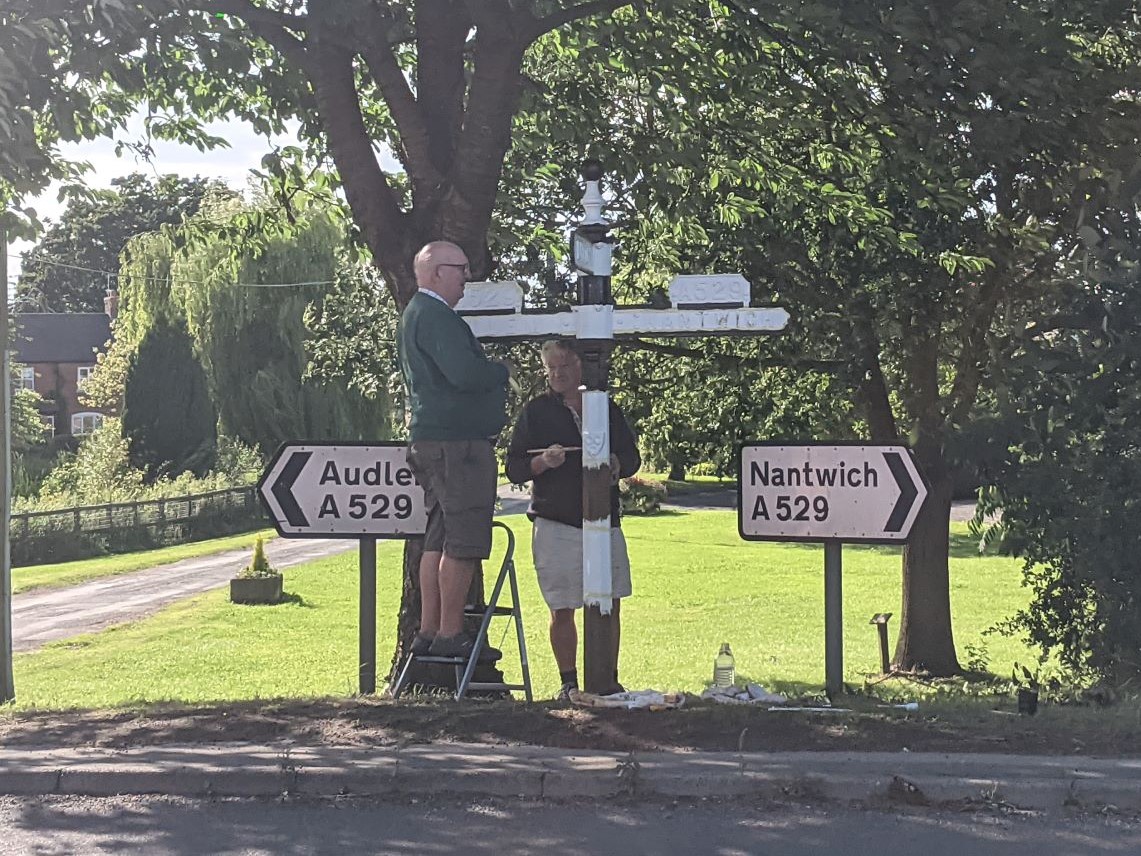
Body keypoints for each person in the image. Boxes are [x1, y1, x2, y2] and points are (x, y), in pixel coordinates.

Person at [505, 340, 641, 699]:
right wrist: (543, 464)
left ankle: (607, 680)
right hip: (556, 523)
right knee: (561, 606)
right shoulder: (535, 412)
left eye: (563, 365)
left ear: (580, 365)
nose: (557, 374)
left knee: (609, 603)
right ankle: (569, 684)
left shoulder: (604, 407)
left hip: (604, 520)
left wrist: (616, 464)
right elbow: (515, 466)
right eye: (550, 368)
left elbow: (631, 456)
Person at [398, 240, 511, 662]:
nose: (468, 276)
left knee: (436, 539)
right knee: (463, 540)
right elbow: (464, 373)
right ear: (436, 272)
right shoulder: (436, 316)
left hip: (432, 439)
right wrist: (499, 371)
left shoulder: (415, 315)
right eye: (461, 268)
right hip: (456, 443)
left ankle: (428, 629)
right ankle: (450, 633)